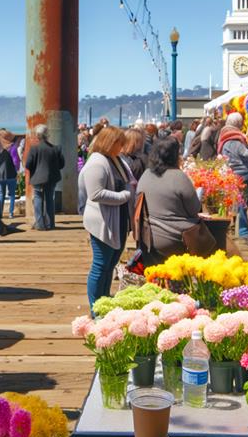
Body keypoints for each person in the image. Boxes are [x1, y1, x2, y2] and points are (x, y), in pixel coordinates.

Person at [78, 125, 135, 314]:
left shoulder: (114, 159)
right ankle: (96, 308)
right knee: (100, 265)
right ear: (110, 142)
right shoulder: (97, 162)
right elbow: (95, 193)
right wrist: (124, 196)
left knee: (109, 265)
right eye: (120, 143)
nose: (123, 147)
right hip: (102, 221)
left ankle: (103, 303)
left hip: (116, 220)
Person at [136, 137, 202, 265]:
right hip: (179, 239)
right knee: (216, 239)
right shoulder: (179, 177)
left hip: (148, 238)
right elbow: (194, 209)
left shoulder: (146, 175)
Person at [216, 112, 248, 248]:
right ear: (238, 124)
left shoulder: (223, 137)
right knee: (242, 204)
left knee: (235, 203)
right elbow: (246, 155)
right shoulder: (235, 140)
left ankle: (234, 229)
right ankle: (244, 232)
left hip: (229, 174)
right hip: (242, 174)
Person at [25, 124, 65, 231]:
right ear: (48, 135)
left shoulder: (34, 149)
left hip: (37, 178)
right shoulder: (56, 149)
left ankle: (40, 224)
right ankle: (50, 224)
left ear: (38, 136)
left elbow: (28, 164)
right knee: (49, 199)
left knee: (38, 198)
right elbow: (62, 164)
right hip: (51, 178)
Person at [0, 129, 19, 220]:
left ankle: (0, 213)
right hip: (11, 174)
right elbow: (16, 161)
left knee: (1, 194)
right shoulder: (12, 148)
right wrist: (17, 171)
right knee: (12, 194)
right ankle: (10, 213)